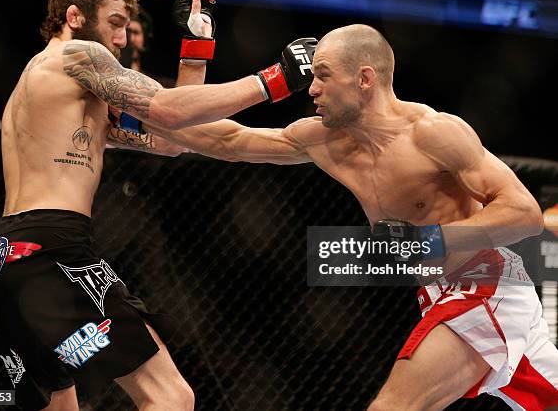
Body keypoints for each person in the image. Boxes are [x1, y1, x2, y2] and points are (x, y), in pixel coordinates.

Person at [141, 24, 558, 410]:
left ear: (364, 79)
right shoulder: (324, 140)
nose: (312, 89)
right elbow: (225, 140)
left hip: (483, 285)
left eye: (323, 75)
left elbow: (523, 215)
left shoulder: (434, 133)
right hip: (437, 292)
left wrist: (429, 239)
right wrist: (136, 100)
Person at [0, 0, 315, 411]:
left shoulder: (52, 88)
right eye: (115, 24)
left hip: (6, 258)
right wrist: (276, 80)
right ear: (76, 17)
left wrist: (196, 47)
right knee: (170, 397)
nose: (121, 41)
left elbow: (170, 137)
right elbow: (170, 112)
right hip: (53, 250)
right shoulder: (76, 56)